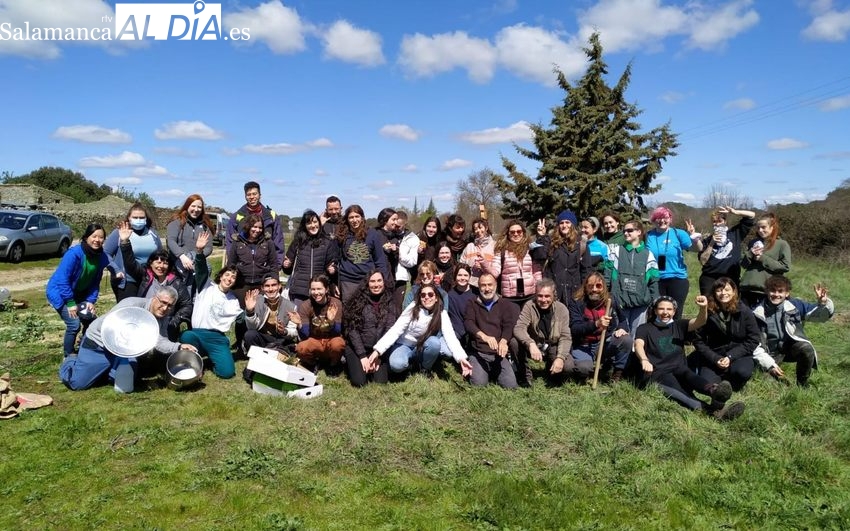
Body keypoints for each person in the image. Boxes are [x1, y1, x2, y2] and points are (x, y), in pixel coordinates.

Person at [59, 286, 197, 392]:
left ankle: (107, 369)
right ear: (155, 298)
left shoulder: (163, 318)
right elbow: (110, 329)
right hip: (98, 344)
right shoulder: (131, 304)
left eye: (170, 305)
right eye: (163, 302)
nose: (165, 308)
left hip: (124, 352)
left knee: (126, 380)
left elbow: (159, 341)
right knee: (77, 384)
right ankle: (71, 359)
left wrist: (179, 347)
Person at [634, 295, 745, 421]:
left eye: (669, 309)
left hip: (680, 368)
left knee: (692, 377)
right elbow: (638, 344)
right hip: (658, 373)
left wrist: (703, 308)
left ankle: (715, 391)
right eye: (661, 309)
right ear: (655, 311)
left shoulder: (678, 325)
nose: (665, 312)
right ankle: (712, 412)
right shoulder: (644, 328)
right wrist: (644, 359)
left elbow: (700, 321)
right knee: (681, 394)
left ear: (674, 311)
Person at [180, 231, 246, 379]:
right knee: (186, 336)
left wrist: (250, 310)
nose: (229, 279)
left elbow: (241, 318)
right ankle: (194, 363)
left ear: (235, 282)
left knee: (227, 373)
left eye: (233, 277)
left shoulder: (233, 300)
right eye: (227, 275)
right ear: (221, 276)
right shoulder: (206, 286)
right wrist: (199, 251)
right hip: (197, 334)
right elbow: (201, 268)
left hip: (217, 338)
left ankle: (211, 359)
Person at [372, 284, 473, 378]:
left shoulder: (442, 313)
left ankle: (424, 367)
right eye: (423, 295)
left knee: (434, 343)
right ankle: (412, 364)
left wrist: (461, 359)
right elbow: (395, 330)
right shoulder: (412, 308)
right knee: (397, 365)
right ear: (420, 298)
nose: (427, 297)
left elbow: (450, 337)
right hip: (404, 345)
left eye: (430, 294)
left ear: (436, 298)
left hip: (421, 346)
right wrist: (377, 351)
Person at [752, 276, 833, 387]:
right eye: (772, 291)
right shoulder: (756, 313)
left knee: (806, 349)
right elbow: (754, 344)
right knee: (768, 384)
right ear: (766, 291)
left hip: (789, 349)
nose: (776, 294)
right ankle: (772, 369)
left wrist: (823, 303)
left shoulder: (795, 305)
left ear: (787, 293)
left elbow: (819, 316)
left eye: (780, 291)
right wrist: (769, 364)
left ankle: (802, 383)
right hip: (769, 352)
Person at [119, 222, 193, 340]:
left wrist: (175, 320)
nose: (161, 266)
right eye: (158, 262)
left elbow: (187, 304)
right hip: (143, 319)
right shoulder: (144, 275)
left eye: (165, 262)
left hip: (167, 322)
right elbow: (130, 263)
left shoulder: (176, 282)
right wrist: (125, 242)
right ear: (151, 263)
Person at [46, 223, 110, 358]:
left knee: (91, 321)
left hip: (79, 295)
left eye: (101, 237)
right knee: (74, 324)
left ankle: (84, 349)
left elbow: (95, 282)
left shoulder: (102, 257)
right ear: (86, 237)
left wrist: (91, 301)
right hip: (60, 293)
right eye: (94, 236)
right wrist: (70, 302)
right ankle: (68, 355)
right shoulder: (74, 254)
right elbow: (62, 279)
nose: (97, 240)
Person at [689, 277, 759, 391]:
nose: (723, 293)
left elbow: (754, 339)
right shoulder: (707, 312)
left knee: (742, 372)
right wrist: (715, 358)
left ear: (734, 291)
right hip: (715, 355)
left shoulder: (744, 311)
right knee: (706, 382)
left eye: (727, 289)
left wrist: (731, 356)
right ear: (714, 293)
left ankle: (734, 384)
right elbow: (698, 341)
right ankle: (720, 387)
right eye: (719, 290)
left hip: (739, 355)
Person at [568, 272, 633, 383]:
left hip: (603, 343)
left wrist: (622, 328)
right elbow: (575, 329)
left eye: (598, 286)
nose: (594, 289)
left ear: (603, 287)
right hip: (583, 344)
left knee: (626, 339)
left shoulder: (611, 300)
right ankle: (588, 369)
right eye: (590, 286)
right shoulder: (576, 302)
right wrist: (596, 324)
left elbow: (623, 319)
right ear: (585, 287)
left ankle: (617, 374)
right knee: (583, 369)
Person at [604, 219, 660, 340]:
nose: (625, 233)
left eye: (629, 230)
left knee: (637, 337)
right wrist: (607, 294)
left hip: (640, 305)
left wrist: (654, 301)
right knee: (620, 336)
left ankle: (635, 358)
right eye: (624, 231)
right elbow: (607, 275)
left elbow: (654, 281)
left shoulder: (648, 254)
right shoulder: (616, 251)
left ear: (639, 232)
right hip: (620, 304)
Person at [343, 270, 399, 386]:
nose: (376, 284)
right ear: (367, 283)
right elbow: (353, 331)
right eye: (372, 281)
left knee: (381, 382)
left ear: (384, 282)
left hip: (378, 349)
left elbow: (390, 330)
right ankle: (354, 363)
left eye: (379, 280)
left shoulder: (391, 302)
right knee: (359, 382)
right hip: (357, 348)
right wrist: (362, 356)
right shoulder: (357, 301)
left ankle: (371, 364)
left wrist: (378, 354)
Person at [512, 278, 572, 387]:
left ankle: (552, 369)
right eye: (540, 296)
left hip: (553, 345)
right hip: (535, 344)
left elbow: (565, 337)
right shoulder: (529, 306)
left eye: (547, 296)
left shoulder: (562, 309)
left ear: (553, 295)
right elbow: (519, 328)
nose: (543, 300)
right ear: (535, 295)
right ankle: (525, 375)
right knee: (514, 342)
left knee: (567, 366)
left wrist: (560, 358)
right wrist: (530, 343)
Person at [464, 273, 520, 389]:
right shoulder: (472, 303)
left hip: (498, 354)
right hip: (478, 352)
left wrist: (504, 341)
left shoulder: (504, 304)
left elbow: (508, 326)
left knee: (511, 386)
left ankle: (494, 371)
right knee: (478, 385)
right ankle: (482, 370)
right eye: (483, 285)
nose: (487, 288)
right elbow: (468, 323)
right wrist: (484, 336)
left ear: (495, 285)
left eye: (490, 285)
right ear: (479, 287)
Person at [645, 206, 700, 319]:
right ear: (654, 220)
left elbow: (697, 249)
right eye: (658, 218)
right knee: (656, 312)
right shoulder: (647, 236)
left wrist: (694, 237)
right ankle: (657, 336)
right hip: (656, 279)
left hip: (677, 279)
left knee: (675, 313)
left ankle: (675, 336)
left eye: (665, 217)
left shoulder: (678, 233)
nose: (662, 221)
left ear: (670, 219)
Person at [104, 202, 162, 301]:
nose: (138, 220)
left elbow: (160, 254)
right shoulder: (119, 233)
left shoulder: (153, 233)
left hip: (150, 279)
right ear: (129, 218)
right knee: (128, 311)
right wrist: (115, 270)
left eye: (141, 217)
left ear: (146, 219)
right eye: (135, 217)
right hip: (127, 281)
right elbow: (105, 253)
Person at [696, 206, 756, 296]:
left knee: (731, 307)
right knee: (710, 307)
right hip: (710, 277)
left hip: (731, 276)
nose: (717, 224)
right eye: (714, 222)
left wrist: (735, 212)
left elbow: (752, 216)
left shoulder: (735, 233)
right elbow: (703, 261)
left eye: (719, 221)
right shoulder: (707, 240)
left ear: (725, 221)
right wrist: (712, 243)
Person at [335, 204, 390, 302]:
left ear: (362, 218)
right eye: (351, 217)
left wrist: (383, 280)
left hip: (368, 280)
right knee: (349, 311)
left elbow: (380, 260)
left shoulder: (372, 234)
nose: (354, 220)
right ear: (347, 219)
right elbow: (336, 258)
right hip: (348, 281)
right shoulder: (342, 235)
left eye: (357, 216)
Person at [282, 209, 338, 306]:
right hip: (299, 292)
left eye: (315, 222)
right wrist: (286, 265)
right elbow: (288, 269)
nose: (313, 226)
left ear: (319, 223)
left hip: (319, 292)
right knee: (298, 320)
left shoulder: (327, 242)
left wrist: (333, 270)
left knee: (317, 321)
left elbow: (332, 266)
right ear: (305, 226)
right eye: (309, 223)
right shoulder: (298, 242)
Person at [535, 210, 590, 305]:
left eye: (567, 222)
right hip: (555, 292)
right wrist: (541, 237)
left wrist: (584, 291)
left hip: (575, 292)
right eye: (561, 223)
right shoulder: (552, 242)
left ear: (573, 224)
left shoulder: (581, 244)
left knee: (574, 319)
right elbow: (540, 256)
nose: (564, 225)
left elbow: (586, 270)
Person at [225, 181, 285, 267]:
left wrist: (277, 267)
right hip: (243, 269)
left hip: (266, 269)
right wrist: (233, 266)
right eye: (249, 195)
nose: (252, 197)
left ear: (260, 195)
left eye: (254, 194)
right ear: (245, 196)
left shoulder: (272, 217)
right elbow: (230, 244)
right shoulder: (236, 218)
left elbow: (278, 243)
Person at [294, 274, 345, 373]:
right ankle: (313, 363)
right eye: (313, 289)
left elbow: (337, 331)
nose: (316, 292)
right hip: (315, 340)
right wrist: (299, 324)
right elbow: (305, 335)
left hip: (331, 339)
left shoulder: (336, 304)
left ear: (326, 289)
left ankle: (333, 364)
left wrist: (331, 321)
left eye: (319, 289)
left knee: (338, 344)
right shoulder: (305, 305)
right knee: (301, 348)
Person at [739, 213, 791, 308]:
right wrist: (750, 254)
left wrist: (762, 258)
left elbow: (785, 266)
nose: (760, 230)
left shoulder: (782, 244)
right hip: (746, 290)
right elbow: (743, 264)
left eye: (763, 227)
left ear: (772, 227)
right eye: (758, 228)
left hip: (765, 291)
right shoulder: (753, 242)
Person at [165, 194, 214, 291]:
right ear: (187, 206)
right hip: (178, 264)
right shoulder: (177, 222)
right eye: (193, 206)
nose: (196, 209)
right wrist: (182, 256)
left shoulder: (205, 226)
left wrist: (197, 257)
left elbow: (209, 247)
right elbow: (171, 241)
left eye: (199, 207)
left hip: (196, 263)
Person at [491, 220, 544, 307]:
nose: (516, 234)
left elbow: (536, 272)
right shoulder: (501, 251)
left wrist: (539, 289)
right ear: (508, 234)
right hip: (509, 297)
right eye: (512, 232)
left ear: (523, 233)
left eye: (519, 231)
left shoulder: (530, 249)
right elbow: (495, 272)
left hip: (530, 295)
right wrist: (483, 263)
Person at [243, 273, 299, 353]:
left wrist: (284, 331)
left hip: (281, 339)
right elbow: (252, 328)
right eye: (267, 286)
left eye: (274, 285)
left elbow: (293, 332)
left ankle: (274, 352)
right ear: (262, 288)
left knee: (290, 346)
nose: (270, 289)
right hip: (263, 337)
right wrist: (250, 311)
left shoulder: (290, 306)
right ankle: (258, 357)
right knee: (250, 335)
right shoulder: (256, 301)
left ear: (279, 286)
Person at [393, 210, 421, 311]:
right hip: (385, 275)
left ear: (404, 224)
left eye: (398, 226)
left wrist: (398, 253)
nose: (395, 229)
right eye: (394, 225)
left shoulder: (412, 239)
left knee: (397, 307)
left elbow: (412, 261)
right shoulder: (387, 234)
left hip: (400, 278)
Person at [460, 218, 496, 289]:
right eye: (475, 229)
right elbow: (461, 265)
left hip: (488, 285)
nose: (478, 231)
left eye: (480, 227)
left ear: (486, 228)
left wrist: (484, 266)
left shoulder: (494, 246)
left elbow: (497, 269)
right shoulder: (469, 246)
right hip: (471, 285)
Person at [446, 264, 476, 345]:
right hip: (459, 331)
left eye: (466, 275)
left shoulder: (476, 293)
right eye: (459, 275)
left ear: (469, 277)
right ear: (455, 276)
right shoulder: (450, 295)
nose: (462, 278)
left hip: (475, 330)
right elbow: (454, 317)